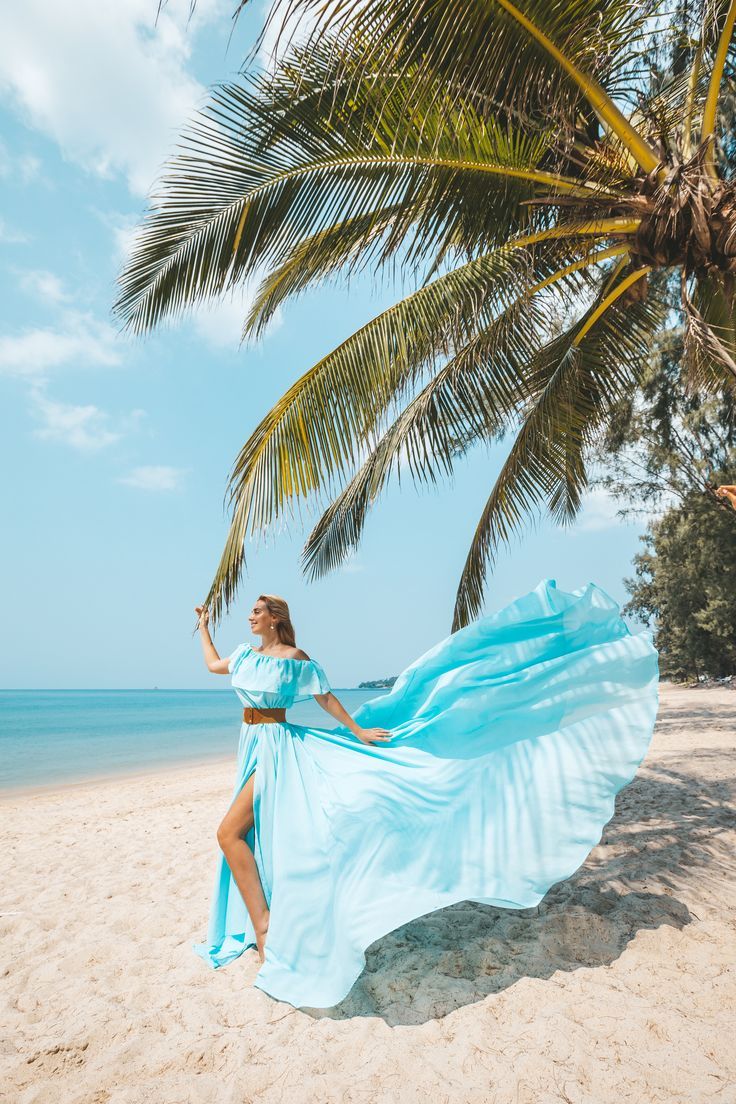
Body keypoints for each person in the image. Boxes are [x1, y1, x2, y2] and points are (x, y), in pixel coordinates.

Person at [192, 581, 659, 1010]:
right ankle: (268, 922)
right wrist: (203, 627)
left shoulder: (294, 658)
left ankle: (267, 926)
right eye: (250, 613)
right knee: (256, 835)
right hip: (250, 745)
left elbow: (327, 699)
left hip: (277, 746)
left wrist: (358, 731)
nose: (249, 618)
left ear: (275, 616)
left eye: (256, 612)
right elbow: (214, 665)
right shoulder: (242, 656)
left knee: (229, 833)